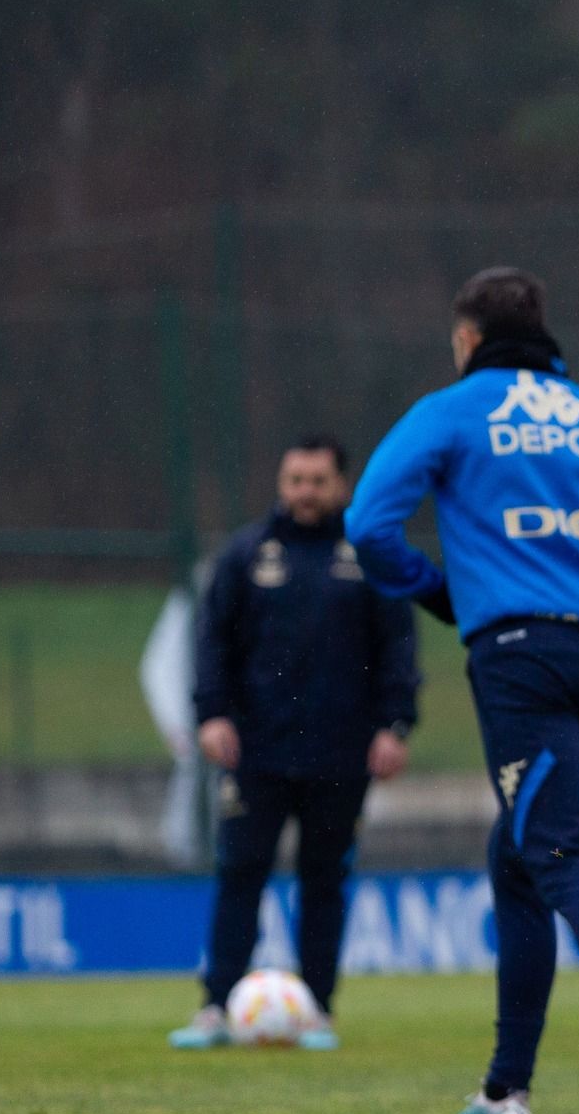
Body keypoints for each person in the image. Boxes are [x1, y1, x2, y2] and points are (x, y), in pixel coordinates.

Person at [345, 266, 579, 1114]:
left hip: (519, 657)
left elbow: (369, 524)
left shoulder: (455, 409)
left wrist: (442, 596)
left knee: (561, 853)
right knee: (518, 855)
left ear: (467, 340)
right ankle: (506, 1093)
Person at [169, 435, 420, 1052]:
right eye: (294, 480)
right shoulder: (246, 554)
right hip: (255, 750)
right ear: (281, 484)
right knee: (239, 874)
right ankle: (215, 1006)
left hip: (341, 753)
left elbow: (398, 648)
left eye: (317, 480)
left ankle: (317, 1010)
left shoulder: (367, 555)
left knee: (325, 879)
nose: (304, 492)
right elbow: (210, 643)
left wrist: (395, 724)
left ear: (341, 486)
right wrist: (211, 716)